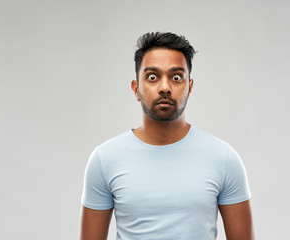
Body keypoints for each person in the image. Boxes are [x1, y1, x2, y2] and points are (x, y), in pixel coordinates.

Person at [80, 32, 254, 240]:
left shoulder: (224, 158)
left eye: (176, 77)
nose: (165, 87)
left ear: (189, 87)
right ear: (136, 89)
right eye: (153, 77)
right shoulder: (104, 159)